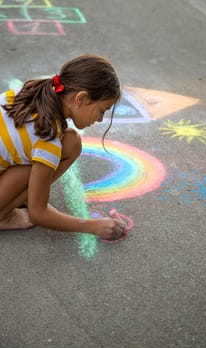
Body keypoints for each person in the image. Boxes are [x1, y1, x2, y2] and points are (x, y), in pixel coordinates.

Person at [0, 54, 125, 240]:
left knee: (71, 141)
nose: (100, 119)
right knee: (39, 164)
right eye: (102, 110)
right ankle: (4, 215)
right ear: (81, 98)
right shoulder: (47, 138)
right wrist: (94, 226)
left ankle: (24, 197)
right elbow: (38, 214)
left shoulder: (30, 92)